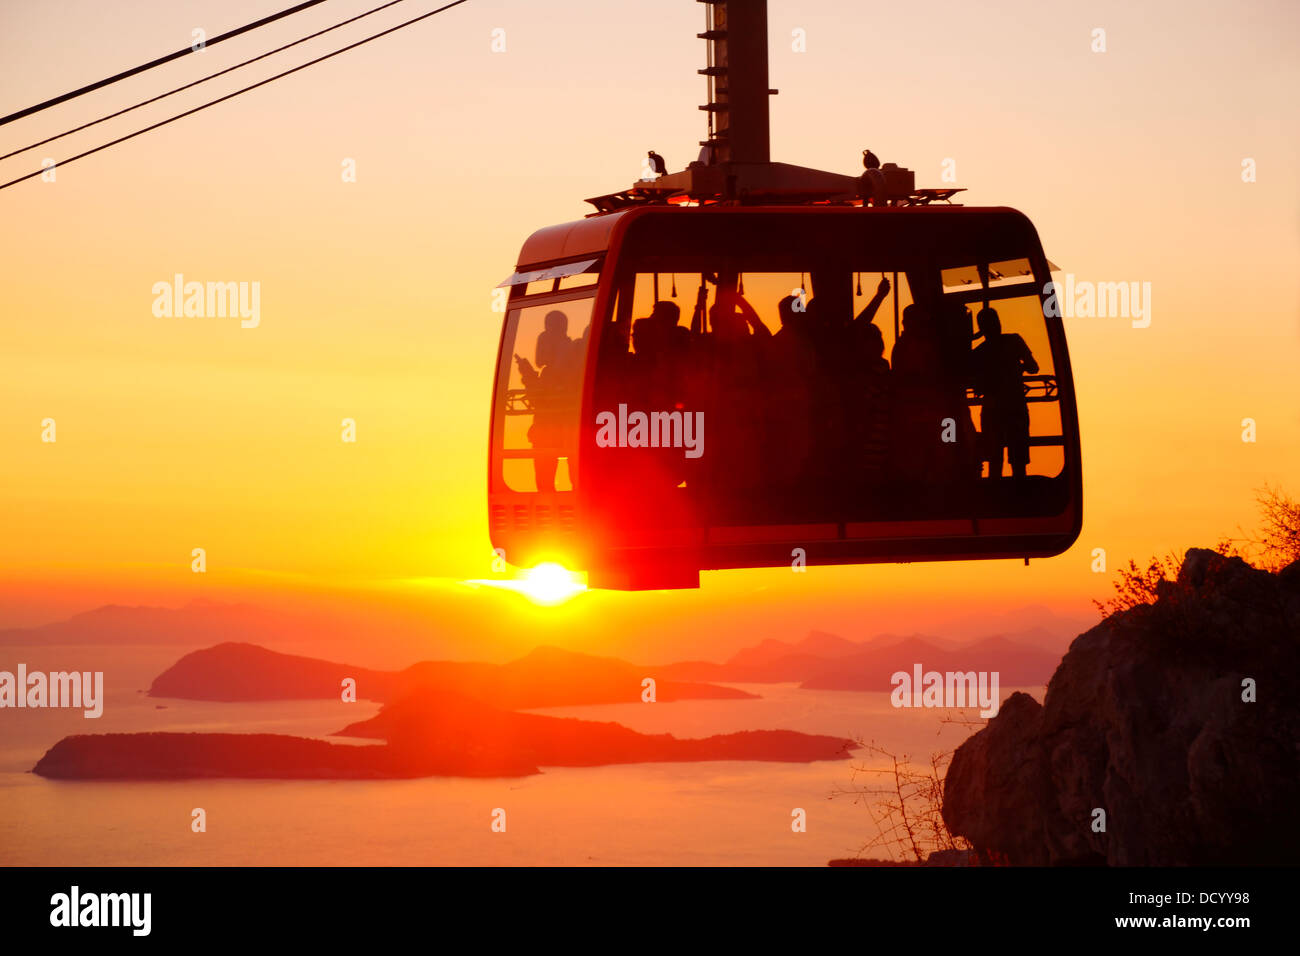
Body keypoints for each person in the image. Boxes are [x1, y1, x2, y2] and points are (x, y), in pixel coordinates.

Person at [970, 306, 1039, 478]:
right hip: (1015, 405)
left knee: (994, 460)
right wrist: (1017, 369)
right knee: (1019, 460)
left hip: (992, 409)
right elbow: (1033, 368)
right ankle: (1020, 496)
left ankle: (995, 498)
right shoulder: (1014, 341)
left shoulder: (979, 352)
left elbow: (975, 384)